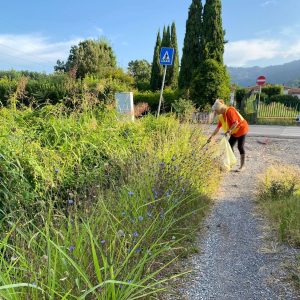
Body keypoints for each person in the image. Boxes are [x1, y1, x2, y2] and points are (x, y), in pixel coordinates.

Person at [207, 99, 249, 171]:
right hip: (234, 132)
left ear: (220, 109)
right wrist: (211, 137)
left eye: (216, 110)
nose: (215, 112)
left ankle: (242, 166)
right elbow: (217, 128)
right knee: (229, 146)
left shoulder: (230, 111)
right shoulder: (221, 116)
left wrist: (229, 131)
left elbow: (235, 122)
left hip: (242, 129)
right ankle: (231, 162)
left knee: (240, 147)